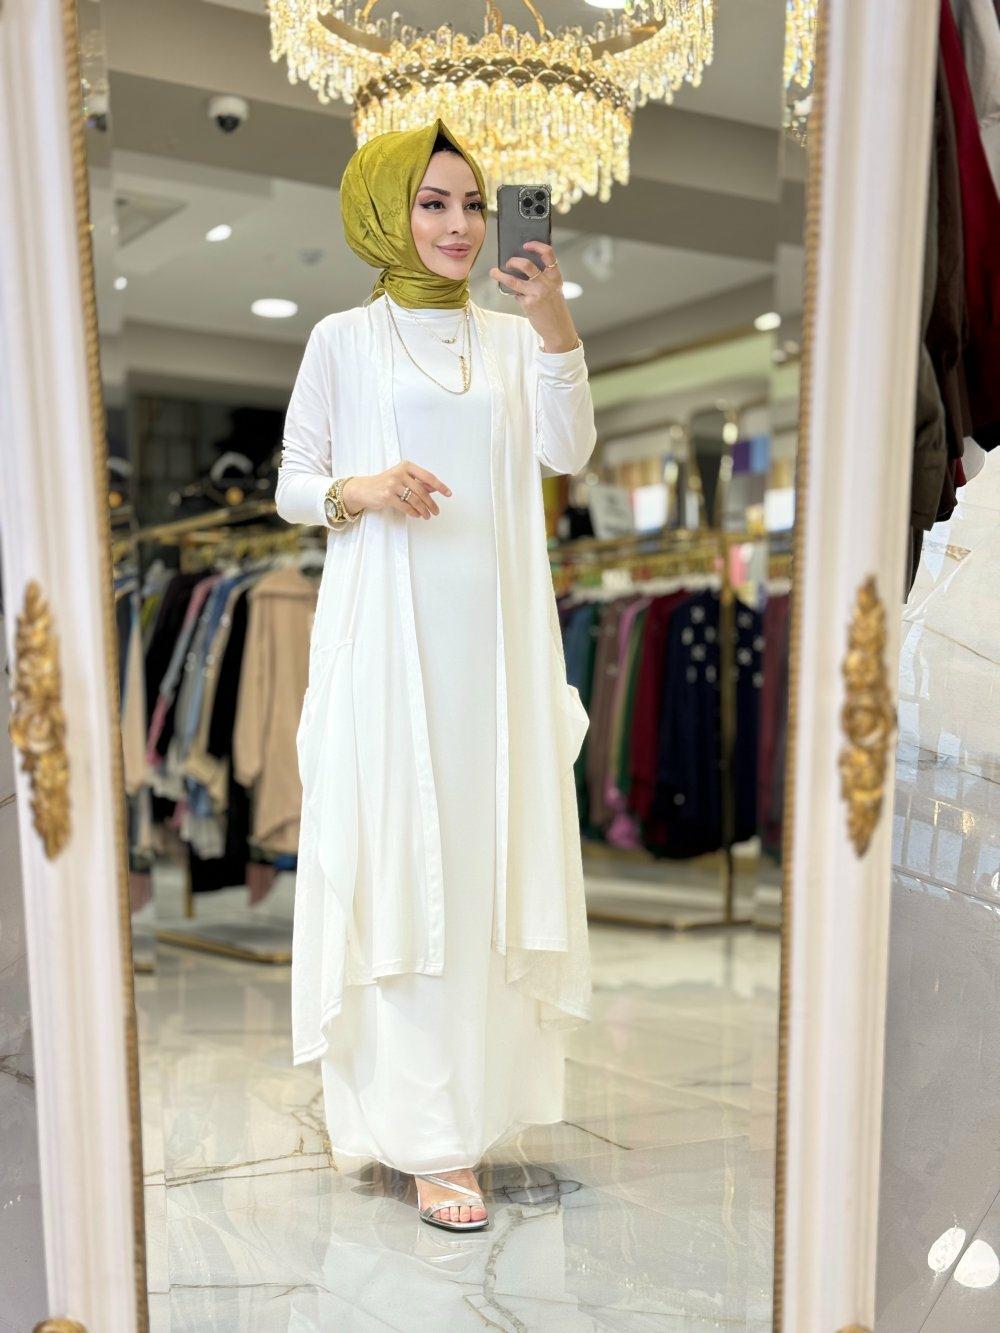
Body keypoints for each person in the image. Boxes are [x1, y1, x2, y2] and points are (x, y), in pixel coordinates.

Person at [275, 117, 596, 1233]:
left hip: (495, 646)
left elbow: (566, 451)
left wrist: (552, 320)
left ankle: (479, 1107)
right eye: (432, 203)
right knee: (400, 864)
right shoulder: (342, 340)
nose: (459, 226)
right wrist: (359, 489)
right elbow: (293, 481)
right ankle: (423, 1136)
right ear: (384, 211)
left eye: (472, 204)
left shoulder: (510, 340)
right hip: (388, 640)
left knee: (483, 865)